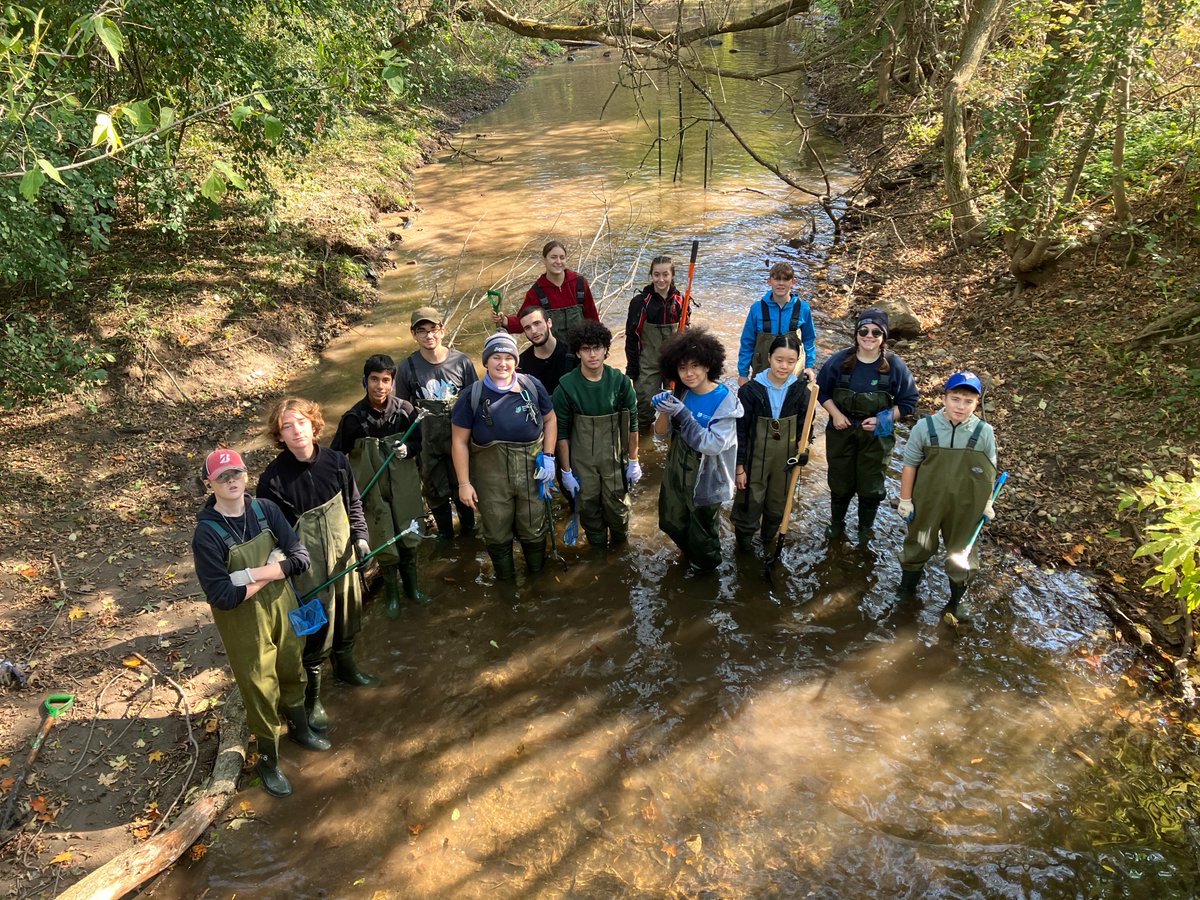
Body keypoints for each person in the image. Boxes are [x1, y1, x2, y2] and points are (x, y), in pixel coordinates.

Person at [190, 447, 325, 798]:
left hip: (282, 609)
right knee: (260, 688)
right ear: (209, 483)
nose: (231, 481)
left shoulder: (266, 510)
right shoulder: (206, 534)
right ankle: (268, 759)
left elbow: (300, 558)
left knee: (292, 667)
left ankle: (299, 729)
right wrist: (271, 570)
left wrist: (248, 575)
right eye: (222, 477)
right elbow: (223, 595)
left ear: (246, 475)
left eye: (236, 473)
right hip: (243, 624)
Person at [257, 398, 378, 743]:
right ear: (279, 436)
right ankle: (312, 697)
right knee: (313, 631)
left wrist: (362, 539)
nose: (296, 431)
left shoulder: (337, 462)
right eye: (287, 426)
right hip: (305, 570)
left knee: (349, 614)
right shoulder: (271, 481)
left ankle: (346, 667)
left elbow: (354, 504)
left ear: (314, 425)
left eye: (301, 422)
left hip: (343, 557)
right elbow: (271, 534)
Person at [451, 332, 558, 579]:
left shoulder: (532, 386)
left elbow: (550, 420)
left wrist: (549, 456)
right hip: (491, 480)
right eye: (496, 357)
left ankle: (537, 581)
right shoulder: (471, 396)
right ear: (486, 361)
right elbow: (459, 442)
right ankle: (506, 584)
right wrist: (464, 484)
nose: (502, 364)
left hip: (532, 474)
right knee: (497, 532)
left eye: (508, 357)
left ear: (516, 361)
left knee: (534, 528)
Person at [896, 371, 998, 622]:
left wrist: (987, 503)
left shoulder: (984, 432)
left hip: (967, 505)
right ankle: (906, 591)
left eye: (968, 401)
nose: (961, 406)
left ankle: (956, 601)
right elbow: (909, 465)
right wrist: (905, 500)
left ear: (976, 404)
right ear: (944, 398)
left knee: (962, 553)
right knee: (918, 544)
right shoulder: (925, 427)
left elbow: (989, 472)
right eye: (955, 399)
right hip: (927, 500)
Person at [331, 354, 430, 612]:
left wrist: (408, 449)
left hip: (404, 484)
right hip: (372, 488)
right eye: (374, 379)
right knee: (383, 536)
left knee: (409, 534)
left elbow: (419, 443)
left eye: (386, 380)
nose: (380, 386)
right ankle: (392, 594)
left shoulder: (406, 411)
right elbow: (336, 457)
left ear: (392, 382)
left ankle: (412, 588)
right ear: (365, 381)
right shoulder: (352, 419)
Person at [816, 307, 918, 545]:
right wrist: (835, 414)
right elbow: (821, 391)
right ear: (856, 333)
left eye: (876, 332)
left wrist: (884, 419)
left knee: (871, 486)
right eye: (863, 330)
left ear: (883, 336)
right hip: (842, 431)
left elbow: (909, 402)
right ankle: (836, 525)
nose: (869, 336)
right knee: (839, 481)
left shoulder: (894, 365)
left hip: (877, 436)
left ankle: (865, 530)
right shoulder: (839, 361)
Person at [652, 327, 743, 573]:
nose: (689, 373)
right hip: (676, 469)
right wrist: (664, 409)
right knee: (670, 522)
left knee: (703, 536)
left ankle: (706, 574)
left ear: (708, 365)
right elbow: (660, 434)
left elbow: (712, 445)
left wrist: (683, 414)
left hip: (707, 477)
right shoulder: (681, 391)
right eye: (682, 368)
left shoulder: (726, 401)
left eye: (695, 366)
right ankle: (691, 557)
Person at [391, 308, 479, 541]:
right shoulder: (407, 368)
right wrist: (408, 448)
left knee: (464, 491)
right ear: (413, 334)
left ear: (442, 330)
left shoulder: (461, 362)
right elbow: (403, 412)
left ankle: (469, 537)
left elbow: (476, 404)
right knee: (434, 493)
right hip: (427, 447)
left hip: (460, 443)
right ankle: (446, 538)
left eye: (433, 329)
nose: (429, 335)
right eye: (422, 331)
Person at [554, 320, 640, 548]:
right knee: (589, 511)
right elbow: (561, 435)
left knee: (619, 510)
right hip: (582, 463)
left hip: (615, 459)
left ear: (605, 350)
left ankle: (620, 553)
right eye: (586, 349)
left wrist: (634, 461)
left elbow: (633, 425)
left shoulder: (621, 383)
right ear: (578, 352)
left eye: (597, 348)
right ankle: (598, 554)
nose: (592, 354)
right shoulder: (565, 388)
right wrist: (566, 472)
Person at [731, 334, 814, 552]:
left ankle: (768, 542)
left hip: (785, 462)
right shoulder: (750, 391)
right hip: (754, 461)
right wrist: (739, 468)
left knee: (778, 505)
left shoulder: (801, 392)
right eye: (779, 360)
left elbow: (806, 428)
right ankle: (743, 549)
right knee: (749, 504)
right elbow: (740, 432)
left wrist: (804, 450)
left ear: (797, 362)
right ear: (769, 357)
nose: (784, 366)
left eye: (790, 361)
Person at [493, 239, 600, 336]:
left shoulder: (580, 283)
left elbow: (593, 319)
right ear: (544, 260)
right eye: (553, 257)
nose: (558, 262)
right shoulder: (536, 292)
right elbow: (523, 321)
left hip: (580, 347)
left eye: (562, 258)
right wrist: (504, 320)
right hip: (553, 348)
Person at [625, 255, 685, 428]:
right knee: (644, 407)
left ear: (672, 275)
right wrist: (633, 368)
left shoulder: (681, 301)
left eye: (665, 274)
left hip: (674, 363)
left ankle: (670, 440)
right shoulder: (640, 302)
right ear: (651, 275)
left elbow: (685, 335)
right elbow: (632, 337)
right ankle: (644, 440)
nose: (661, 279)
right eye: (656, 274)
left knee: (677, 407)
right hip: (647, 364)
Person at [736, 261, 816, 386]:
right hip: (762, 372)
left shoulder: (803, 308)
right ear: (769, 281)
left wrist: (809, 366)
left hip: (793, 373)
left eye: (785, 279)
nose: (781, 283)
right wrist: (743, 374)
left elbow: (808, 340)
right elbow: (747, 343)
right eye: (777, 279)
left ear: (792, 282)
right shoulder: (756, 308)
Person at [516, 305, 576, 396]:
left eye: (537, 323)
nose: (533, 331)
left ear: (549, 323)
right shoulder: (521, 365)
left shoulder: (572, 353)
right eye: (527, 328)